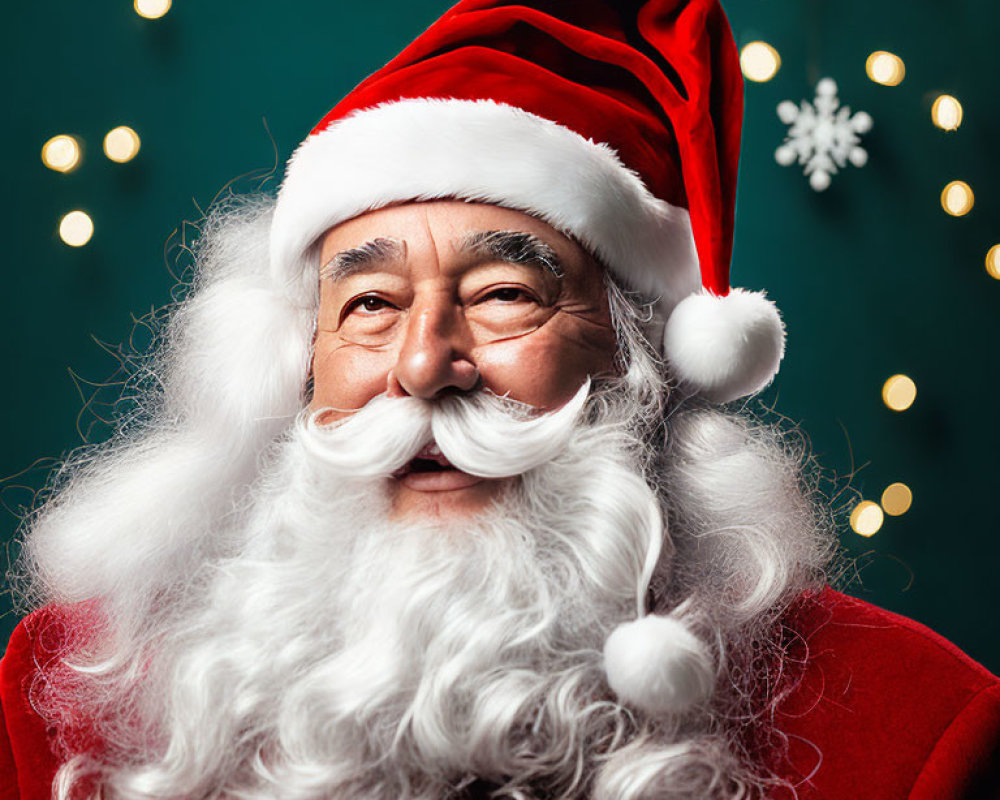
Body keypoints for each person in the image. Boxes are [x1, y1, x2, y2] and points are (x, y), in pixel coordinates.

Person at [2, 1, 999, 798]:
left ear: (641, 361)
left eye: (503, 296)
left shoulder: (911, 728)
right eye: (371, 303)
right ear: (298, 364)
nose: (424, 364)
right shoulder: (72, 688)